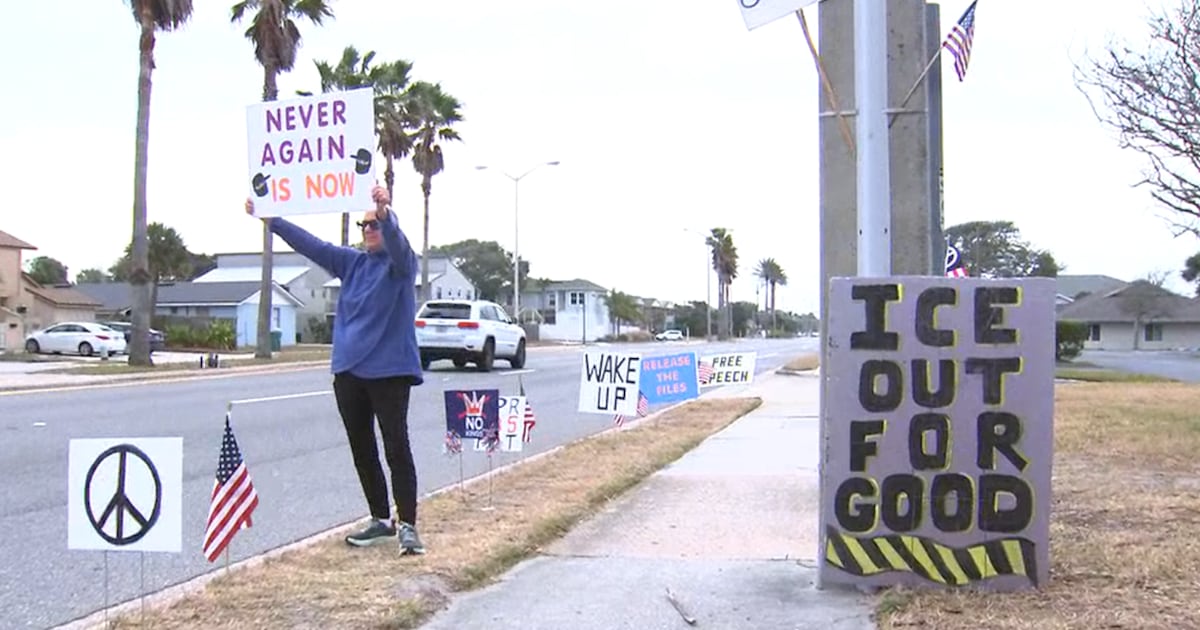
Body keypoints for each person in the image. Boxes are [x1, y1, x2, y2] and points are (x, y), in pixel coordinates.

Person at [245, 185, 425, 555]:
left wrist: (385, 212)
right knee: (362, 448)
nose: (369, 231)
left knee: (396, 446)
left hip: (389, 372)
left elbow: (399, 244)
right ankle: (380, 519)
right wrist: (272, 220)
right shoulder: (351, 263)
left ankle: (407, 525)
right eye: (364, 226)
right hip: (349, 372)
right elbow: (311, 245)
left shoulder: (400, 266)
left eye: (374, 225)